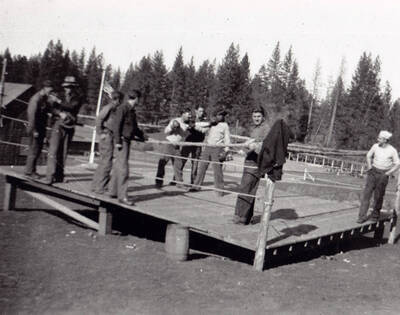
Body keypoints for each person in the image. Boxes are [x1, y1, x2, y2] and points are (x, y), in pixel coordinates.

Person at [233, 107, 271, 224]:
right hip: (249, 159)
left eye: (258, 116)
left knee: (246, 188)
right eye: (254, 116)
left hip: (255, 162)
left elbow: (264, 146)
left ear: (263, 117)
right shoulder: (253, 128)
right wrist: (244, 149)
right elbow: (250, 142)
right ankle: (247, 217)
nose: (256, 119)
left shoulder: (266, 129)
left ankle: (239, 216)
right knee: (250, 188)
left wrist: (250, 147)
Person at [44, 76, 84, 185]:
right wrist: (58, 113)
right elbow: (50, 108)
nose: (69, 89)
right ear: (64, 87)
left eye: (71, 87)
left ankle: (59, 176)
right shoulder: (59, 95)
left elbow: (72, 107)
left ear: (74, 87)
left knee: (64, 151)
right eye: (67, 87)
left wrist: (58, 101)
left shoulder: (78, 97)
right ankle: (49, 176)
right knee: (53, 150)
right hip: (58, 125)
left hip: (69, 127)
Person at [109, 90, 145, 206]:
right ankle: (122, 196)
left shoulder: (131, 111)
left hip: (126, 141)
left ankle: (113, 191)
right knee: (124, 169)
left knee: (118, 166)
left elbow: (133, 127)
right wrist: (118, 141)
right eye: (139, 98)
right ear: (136, 98)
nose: (140, 101)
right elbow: (116, 125)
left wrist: (143, 136)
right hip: (122, 141)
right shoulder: (123, 108)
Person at [357, 130, 400, 223]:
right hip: (373, 172)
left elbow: (397, 163)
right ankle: (361, 216)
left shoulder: (392, 150)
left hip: (383, 174)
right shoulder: (375, 146)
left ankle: (375, 216)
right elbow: (368, 155)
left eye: (380, 138)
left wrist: (388, 173)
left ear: (385, 140)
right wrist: (369, 167)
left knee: (378, 196)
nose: (378, 140)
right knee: (366, 194)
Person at [190, 109, 231, 196]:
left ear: (223, 117)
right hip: (208, 147)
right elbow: (202, 130)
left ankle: (219, 190)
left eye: (221, 115)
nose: (219, 117)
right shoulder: (212, 123)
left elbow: (227, 138)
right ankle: (196, 186)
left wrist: (227, 150)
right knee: (202, 167)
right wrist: (193, 126)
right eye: (218, 115)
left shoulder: (225, 125)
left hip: (217, 148)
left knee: (217, 170)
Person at [91, 91, 124, 194]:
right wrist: (100, 132)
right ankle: (100, 187)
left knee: (103, 161)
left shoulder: (113, 108)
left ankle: (96, 185)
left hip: (109, 135)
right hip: (107, 135)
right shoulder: (110, 107)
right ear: (118, 99)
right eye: (121, 100)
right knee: (107, 162)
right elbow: (99, 118)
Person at [154, 108, 192, 189]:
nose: (190, 116)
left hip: (177, 147)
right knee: (162, 163)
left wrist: (189, 130)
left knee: (178, 165)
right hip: (168, 144)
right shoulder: (175, 120)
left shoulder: (187, 124)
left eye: (190, 115)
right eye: (188, 114)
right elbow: (166, 131)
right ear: (183, 114)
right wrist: (172, 126)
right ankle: (158, 182)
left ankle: (179, 183)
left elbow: (184, 135)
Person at [24, 80, 55, 179]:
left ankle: (32, 170)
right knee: (33, 150)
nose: (51, 91)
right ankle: (29, 172)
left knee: (37, 150)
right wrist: (34, 130)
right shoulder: (35, 99)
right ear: (45, 88)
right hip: (35, 128)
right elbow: (31, 116)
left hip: (41, 128)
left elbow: (48, 110)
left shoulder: (44, 99)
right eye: (50, 89)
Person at [175, 105, 209, 185]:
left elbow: (204, 130)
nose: (202, 113)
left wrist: (195, 126)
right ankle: (176, 179)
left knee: (195, 163)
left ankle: (193, 182)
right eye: (200, 111)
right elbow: (184, 125)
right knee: (182, 161)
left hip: (198, 144)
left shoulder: (205, 120)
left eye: (203, 111)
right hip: (188, 142)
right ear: (196, 111)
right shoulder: (190, 118)